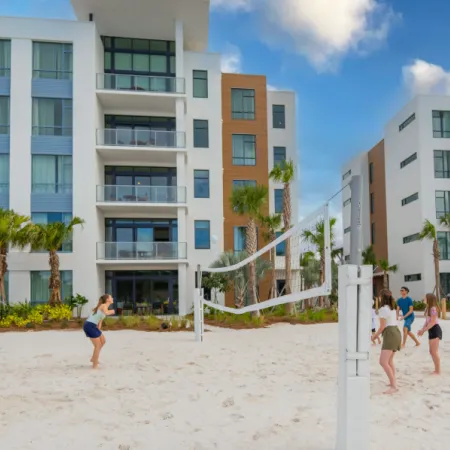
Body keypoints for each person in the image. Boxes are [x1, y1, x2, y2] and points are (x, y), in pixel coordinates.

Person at [372, 289, 401, 394]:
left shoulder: (383, 309)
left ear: (381, 298)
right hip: (396, 332)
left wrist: (375, 336)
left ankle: (394, 386)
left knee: (383, 362)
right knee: (389, 361)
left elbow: (382, 327)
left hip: (390, 333)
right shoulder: (392, 308)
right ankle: (393, 381)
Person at [83, 294, 115, 369]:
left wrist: (99, 332)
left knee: (103, 341)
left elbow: (100, 321)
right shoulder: (103, 306)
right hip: (89, 325)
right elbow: (106, 312)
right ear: (107, 300)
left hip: (93, 326)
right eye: (111, 297)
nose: (112, 298)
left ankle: (93, 358)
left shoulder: (104, 307)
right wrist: (112, 311)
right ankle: (95, 365)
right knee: (97, 345)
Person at [418, 293, 443, 375]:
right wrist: (422, 329)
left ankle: (437, 370)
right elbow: (427, 321)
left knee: (434, 352)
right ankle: (436, 369)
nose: (423, 298)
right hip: (431, 330)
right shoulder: (428, 308)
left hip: (435, 330)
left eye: (425, 297)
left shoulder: (433, 309)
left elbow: (432, 322)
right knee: (431, 351)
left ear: (429, 299)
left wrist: (423, 330)